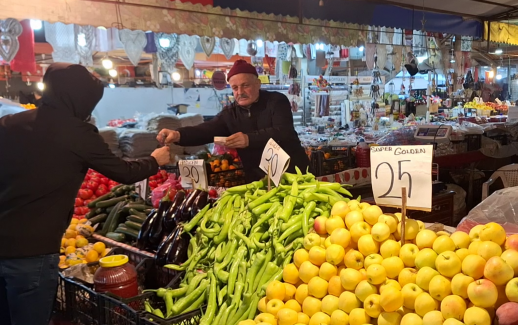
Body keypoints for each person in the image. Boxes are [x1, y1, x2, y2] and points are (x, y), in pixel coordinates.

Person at [0, 63, 171, 325]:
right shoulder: (77, 133)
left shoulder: (9, 123)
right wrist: (154, 160)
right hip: (32, 251)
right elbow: (123, 172)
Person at [158, 59, 310, 182]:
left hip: (293, 173)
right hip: (259, 179)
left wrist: (248, 139)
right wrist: (178, 135)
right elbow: (207, 130)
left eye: (245, 86)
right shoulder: (230, 113)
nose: (240, 92)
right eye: (235, 88)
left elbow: (283, 132)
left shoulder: (276, 101)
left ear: (258, 84)